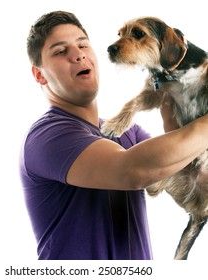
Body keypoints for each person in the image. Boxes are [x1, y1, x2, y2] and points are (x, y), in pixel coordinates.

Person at [19, 10, 208, 260]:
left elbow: (174, 158)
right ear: (40, 74)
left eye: (83, 45)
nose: (78, 55)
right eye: (61, 51)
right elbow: (134, 170)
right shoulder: (48, 137)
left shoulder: (126, 135)